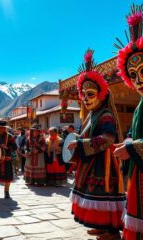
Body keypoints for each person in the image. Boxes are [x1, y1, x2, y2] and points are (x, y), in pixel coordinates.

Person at [68, 50, 125, 240]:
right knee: (94, 195)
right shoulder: (93, 115)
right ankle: (101, 226)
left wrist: (80, 143)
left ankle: (111, 230)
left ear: (101, 94)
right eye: (83, 94)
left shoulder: (106, 114)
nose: (85, 98)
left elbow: (108, 138)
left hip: (104, 164)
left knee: (105, 196)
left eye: (90, 94)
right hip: (92, 161)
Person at [113, 6, 143, 239]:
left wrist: (132, 147)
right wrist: (129, 141)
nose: (139, 79)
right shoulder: (140, 106)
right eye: (133, 74)